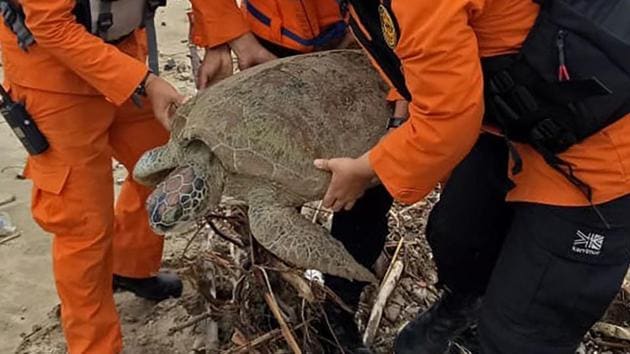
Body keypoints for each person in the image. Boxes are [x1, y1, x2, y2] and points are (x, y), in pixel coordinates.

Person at [315, 0, 630, 353]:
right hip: (509, 120)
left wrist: (367, 170)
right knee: (457, 236)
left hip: (598, 154)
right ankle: (462, 310)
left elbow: (449, 121)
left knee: (523, 330)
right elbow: (408, 48)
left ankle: (497, 334)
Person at [0, 0, 221, 352]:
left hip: (122, 53)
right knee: (83, 224)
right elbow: (51, 26)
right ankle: (94, 346)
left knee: (164, 166)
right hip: (51, 76)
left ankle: (131, 266)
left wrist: (224, 37)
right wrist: (144, 81)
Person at [191, 1, 407, 352]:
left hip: (366, 41)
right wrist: (225, 38)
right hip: (266, 47)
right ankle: (269, 285)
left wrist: (376, 33)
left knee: (368, 190)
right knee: (262, 183)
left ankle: (339, 308)